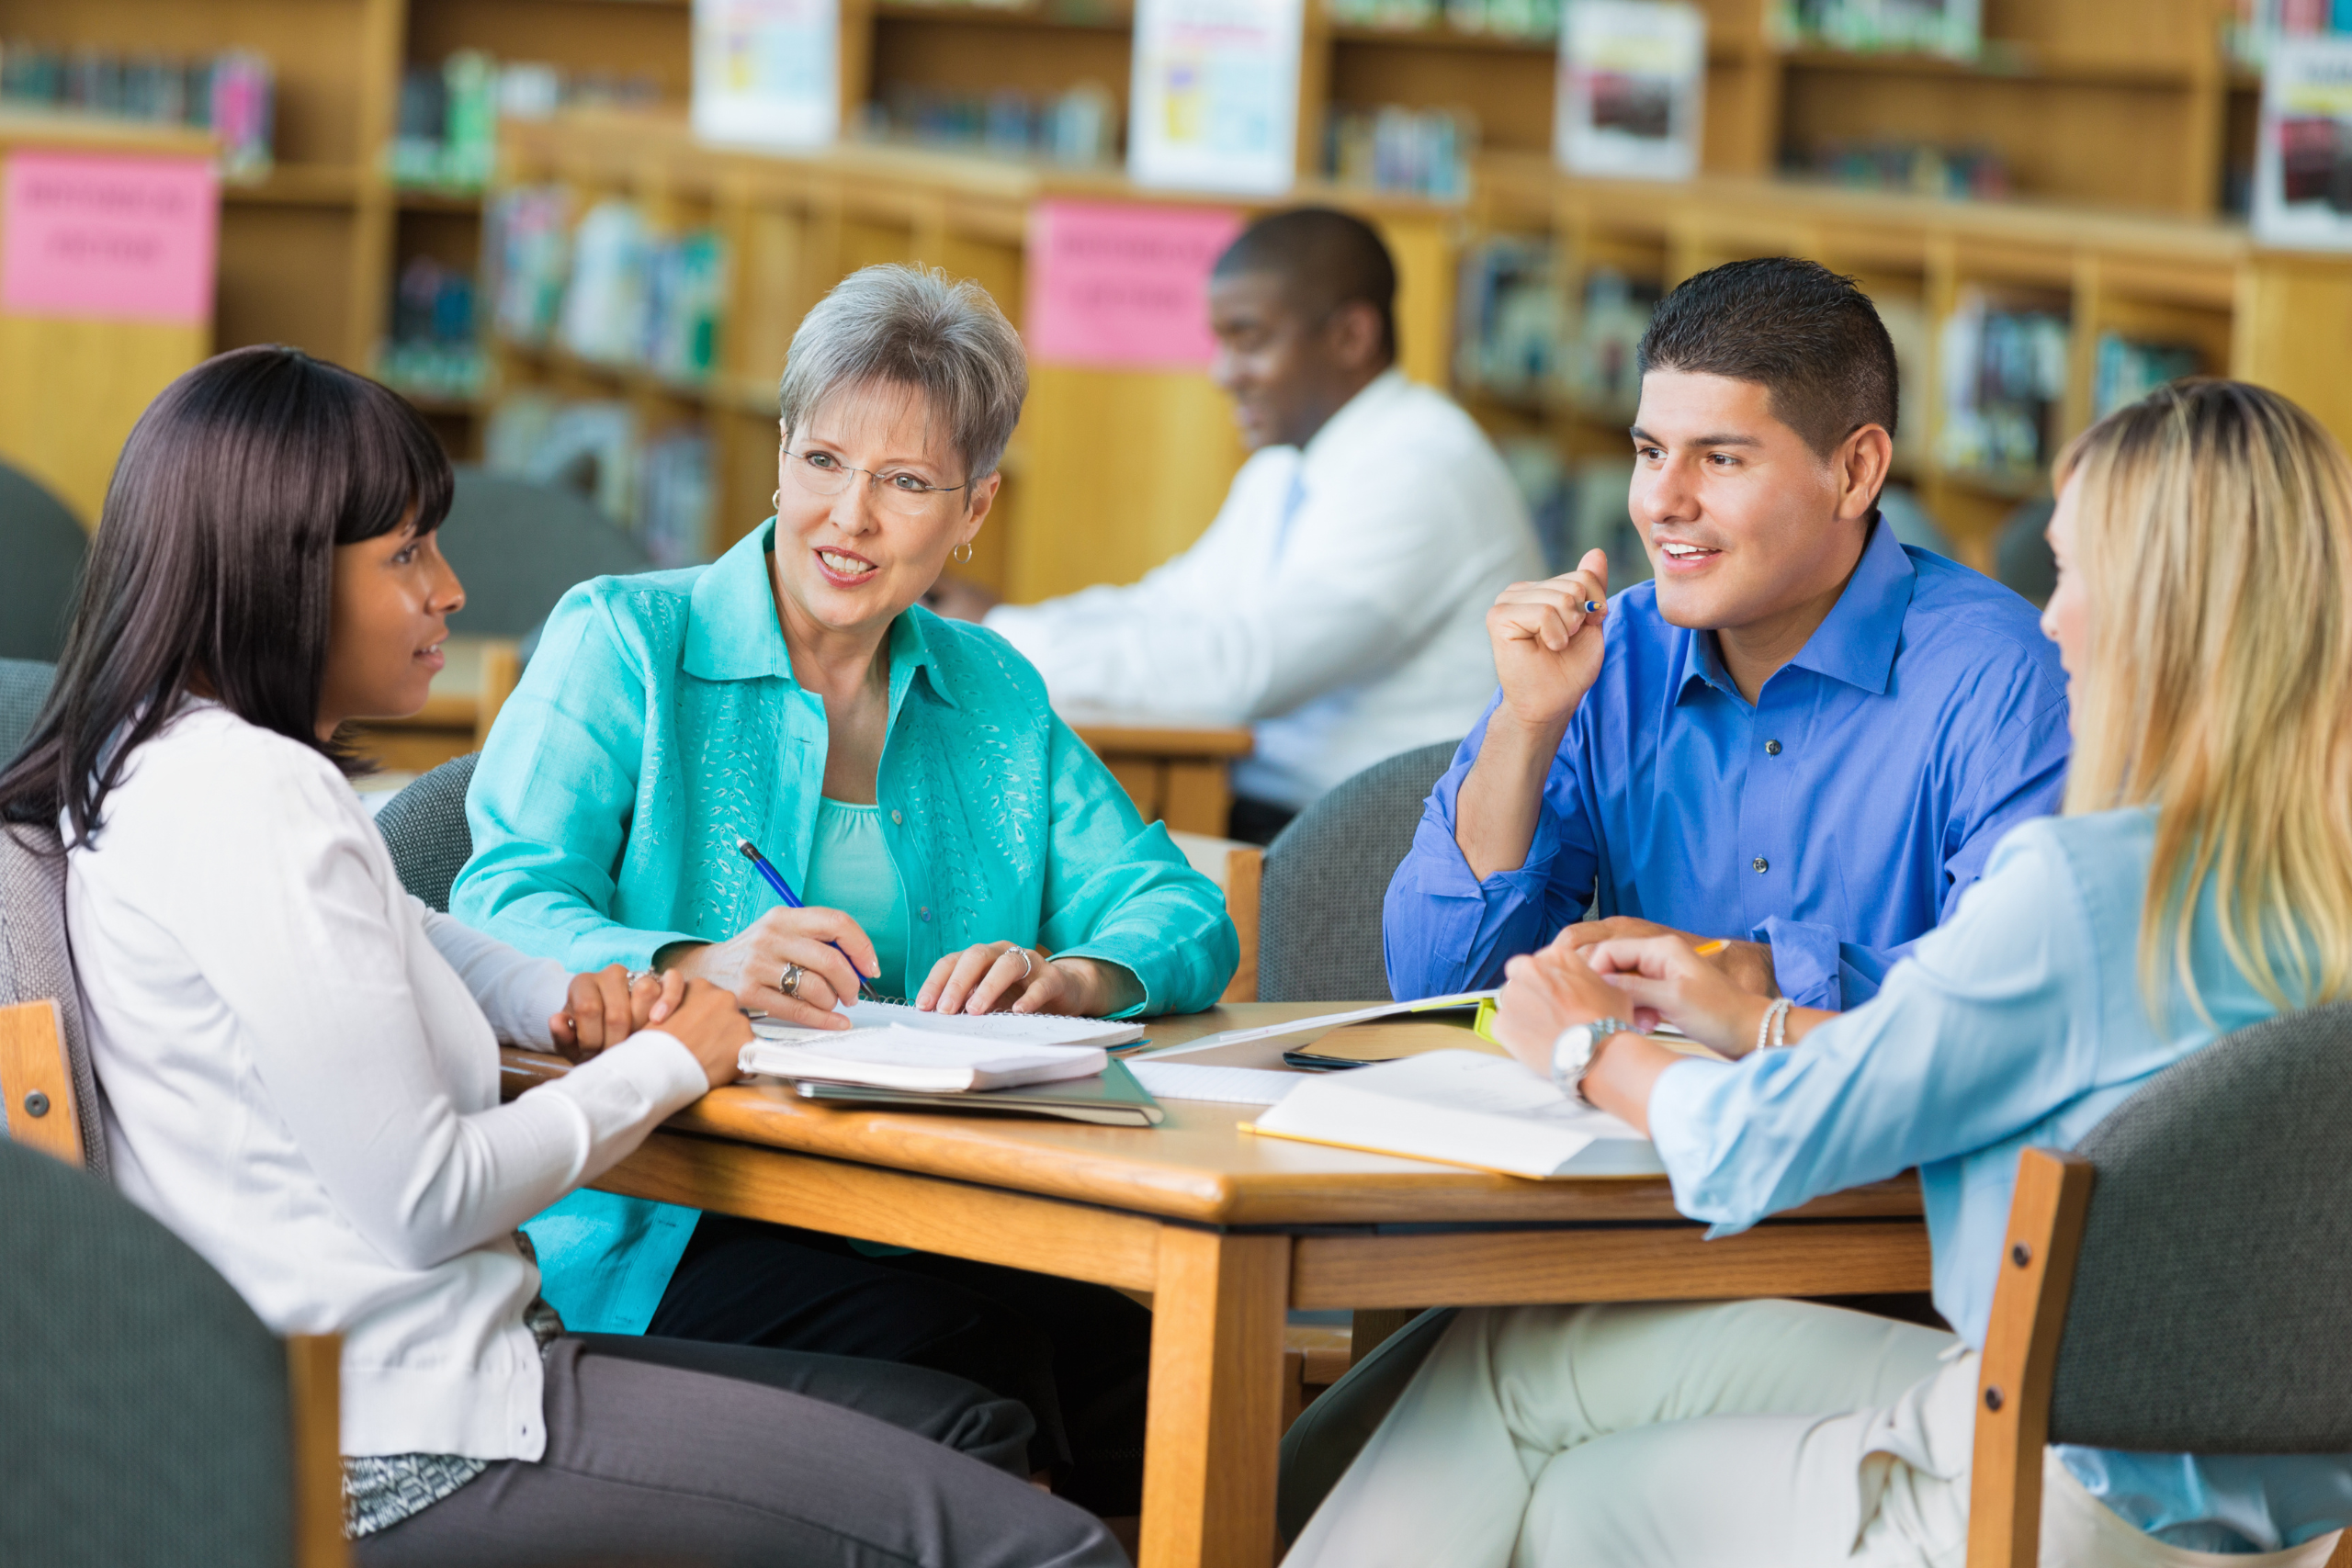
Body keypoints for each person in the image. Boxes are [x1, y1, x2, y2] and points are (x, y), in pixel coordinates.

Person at [0, 345, 1123, 1566]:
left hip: (373, 1378)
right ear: (282, 579)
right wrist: (673, 1055)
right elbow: (428, 1199)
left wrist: (572, 990)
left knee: (968, 1418)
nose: (450, 588)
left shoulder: (169, 764)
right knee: (1051, 1548)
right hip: (408, 1430)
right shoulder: (260, 800)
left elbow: (416, 934)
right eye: (405, 555)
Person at [1288, 378, 2352, 1567]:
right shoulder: (2295, 881)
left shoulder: (2090, 883)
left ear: (2171, 613)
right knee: (1516, 1349)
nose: (2052, 622)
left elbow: (1761, 1147)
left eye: (2077, 577)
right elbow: (1995, 1051)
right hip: (2278, 1507)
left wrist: (1593, 1048)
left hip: (2051, 1487)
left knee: (1567, 1498)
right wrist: (1765, 1012)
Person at [451, 263, 1238, 1519]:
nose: (850, 517)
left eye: (907, 482)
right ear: (777, 455)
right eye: (824, 460)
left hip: (946, 1204)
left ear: (975, 509)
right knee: (983, 1362)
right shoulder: (624, 640)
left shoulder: (994, 692)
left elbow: (1183, 910)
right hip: (667, 1215)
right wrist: (697, 959)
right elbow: (495, 905)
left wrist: (1074, 971)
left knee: (1157, 1367)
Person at [1384, 256, 2072, 1011]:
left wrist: (1751, 976)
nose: (1660, 502)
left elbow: (2015, 999)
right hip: (1618, 1113)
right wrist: (1526, 724)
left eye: (1720, 458)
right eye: (1649, 452)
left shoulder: (2009, 683)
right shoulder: (1607, 656)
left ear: (1856, 470)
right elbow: (1436, 988)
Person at [926, 208, 1544, 845]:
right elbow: (1173, 604)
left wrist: (999, 639)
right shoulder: (1286, 466)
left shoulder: (1424, 467)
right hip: (1293, 817)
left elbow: (1243, 671)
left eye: (1248, 339)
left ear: (1352, 336)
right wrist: (1012, 627)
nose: (1223, 373)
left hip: (1382, 849)